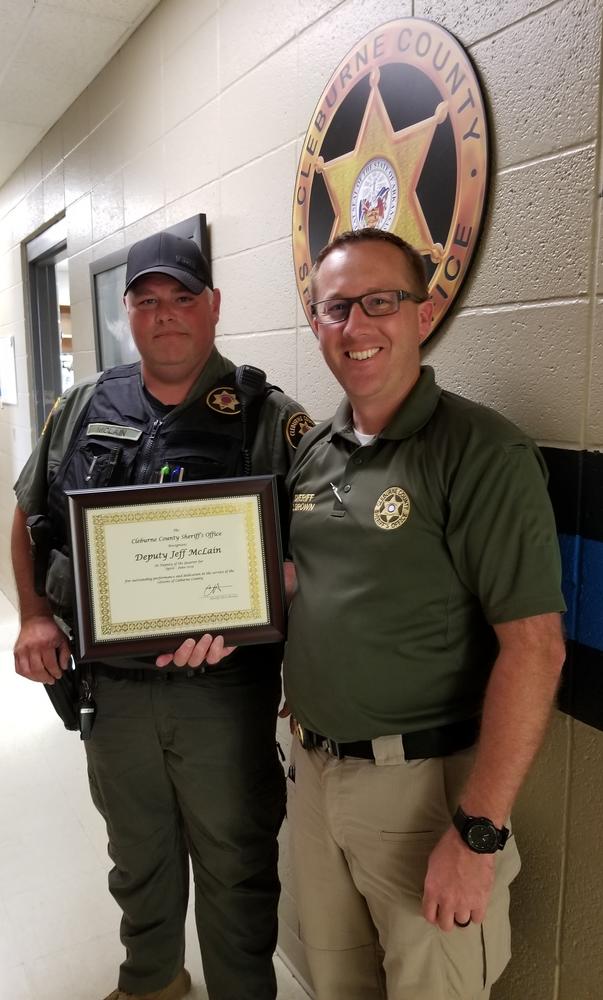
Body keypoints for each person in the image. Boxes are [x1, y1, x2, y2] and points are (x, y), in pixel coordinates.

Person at [11, 230, 313, 1000]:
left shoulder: (267, 417)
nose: (166, 315)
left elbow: (320, 553)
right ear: (126, 314)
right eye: (148, 301)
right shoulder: (81, 407)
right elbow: (27, 510)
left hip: (225, 694)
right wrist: (37, 615)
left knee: (236, 863)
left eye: (182, 298)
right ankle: (152, 982)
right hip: (111, 692)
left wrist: (268, 597)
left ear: (212, 307)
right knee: (135, 854)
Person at [280, 227, 566, 1000]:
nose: (356, 326)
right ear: (315, 322)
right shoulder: (314, 450)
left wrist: (477, 833)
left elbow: (536, 650)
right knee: (335, 980)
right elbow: (302, 584)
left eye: (381, 301)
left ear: (423, 310)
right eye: (336, 307)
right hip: (312, 773)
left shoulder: (479, 452)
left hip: (417, 793)